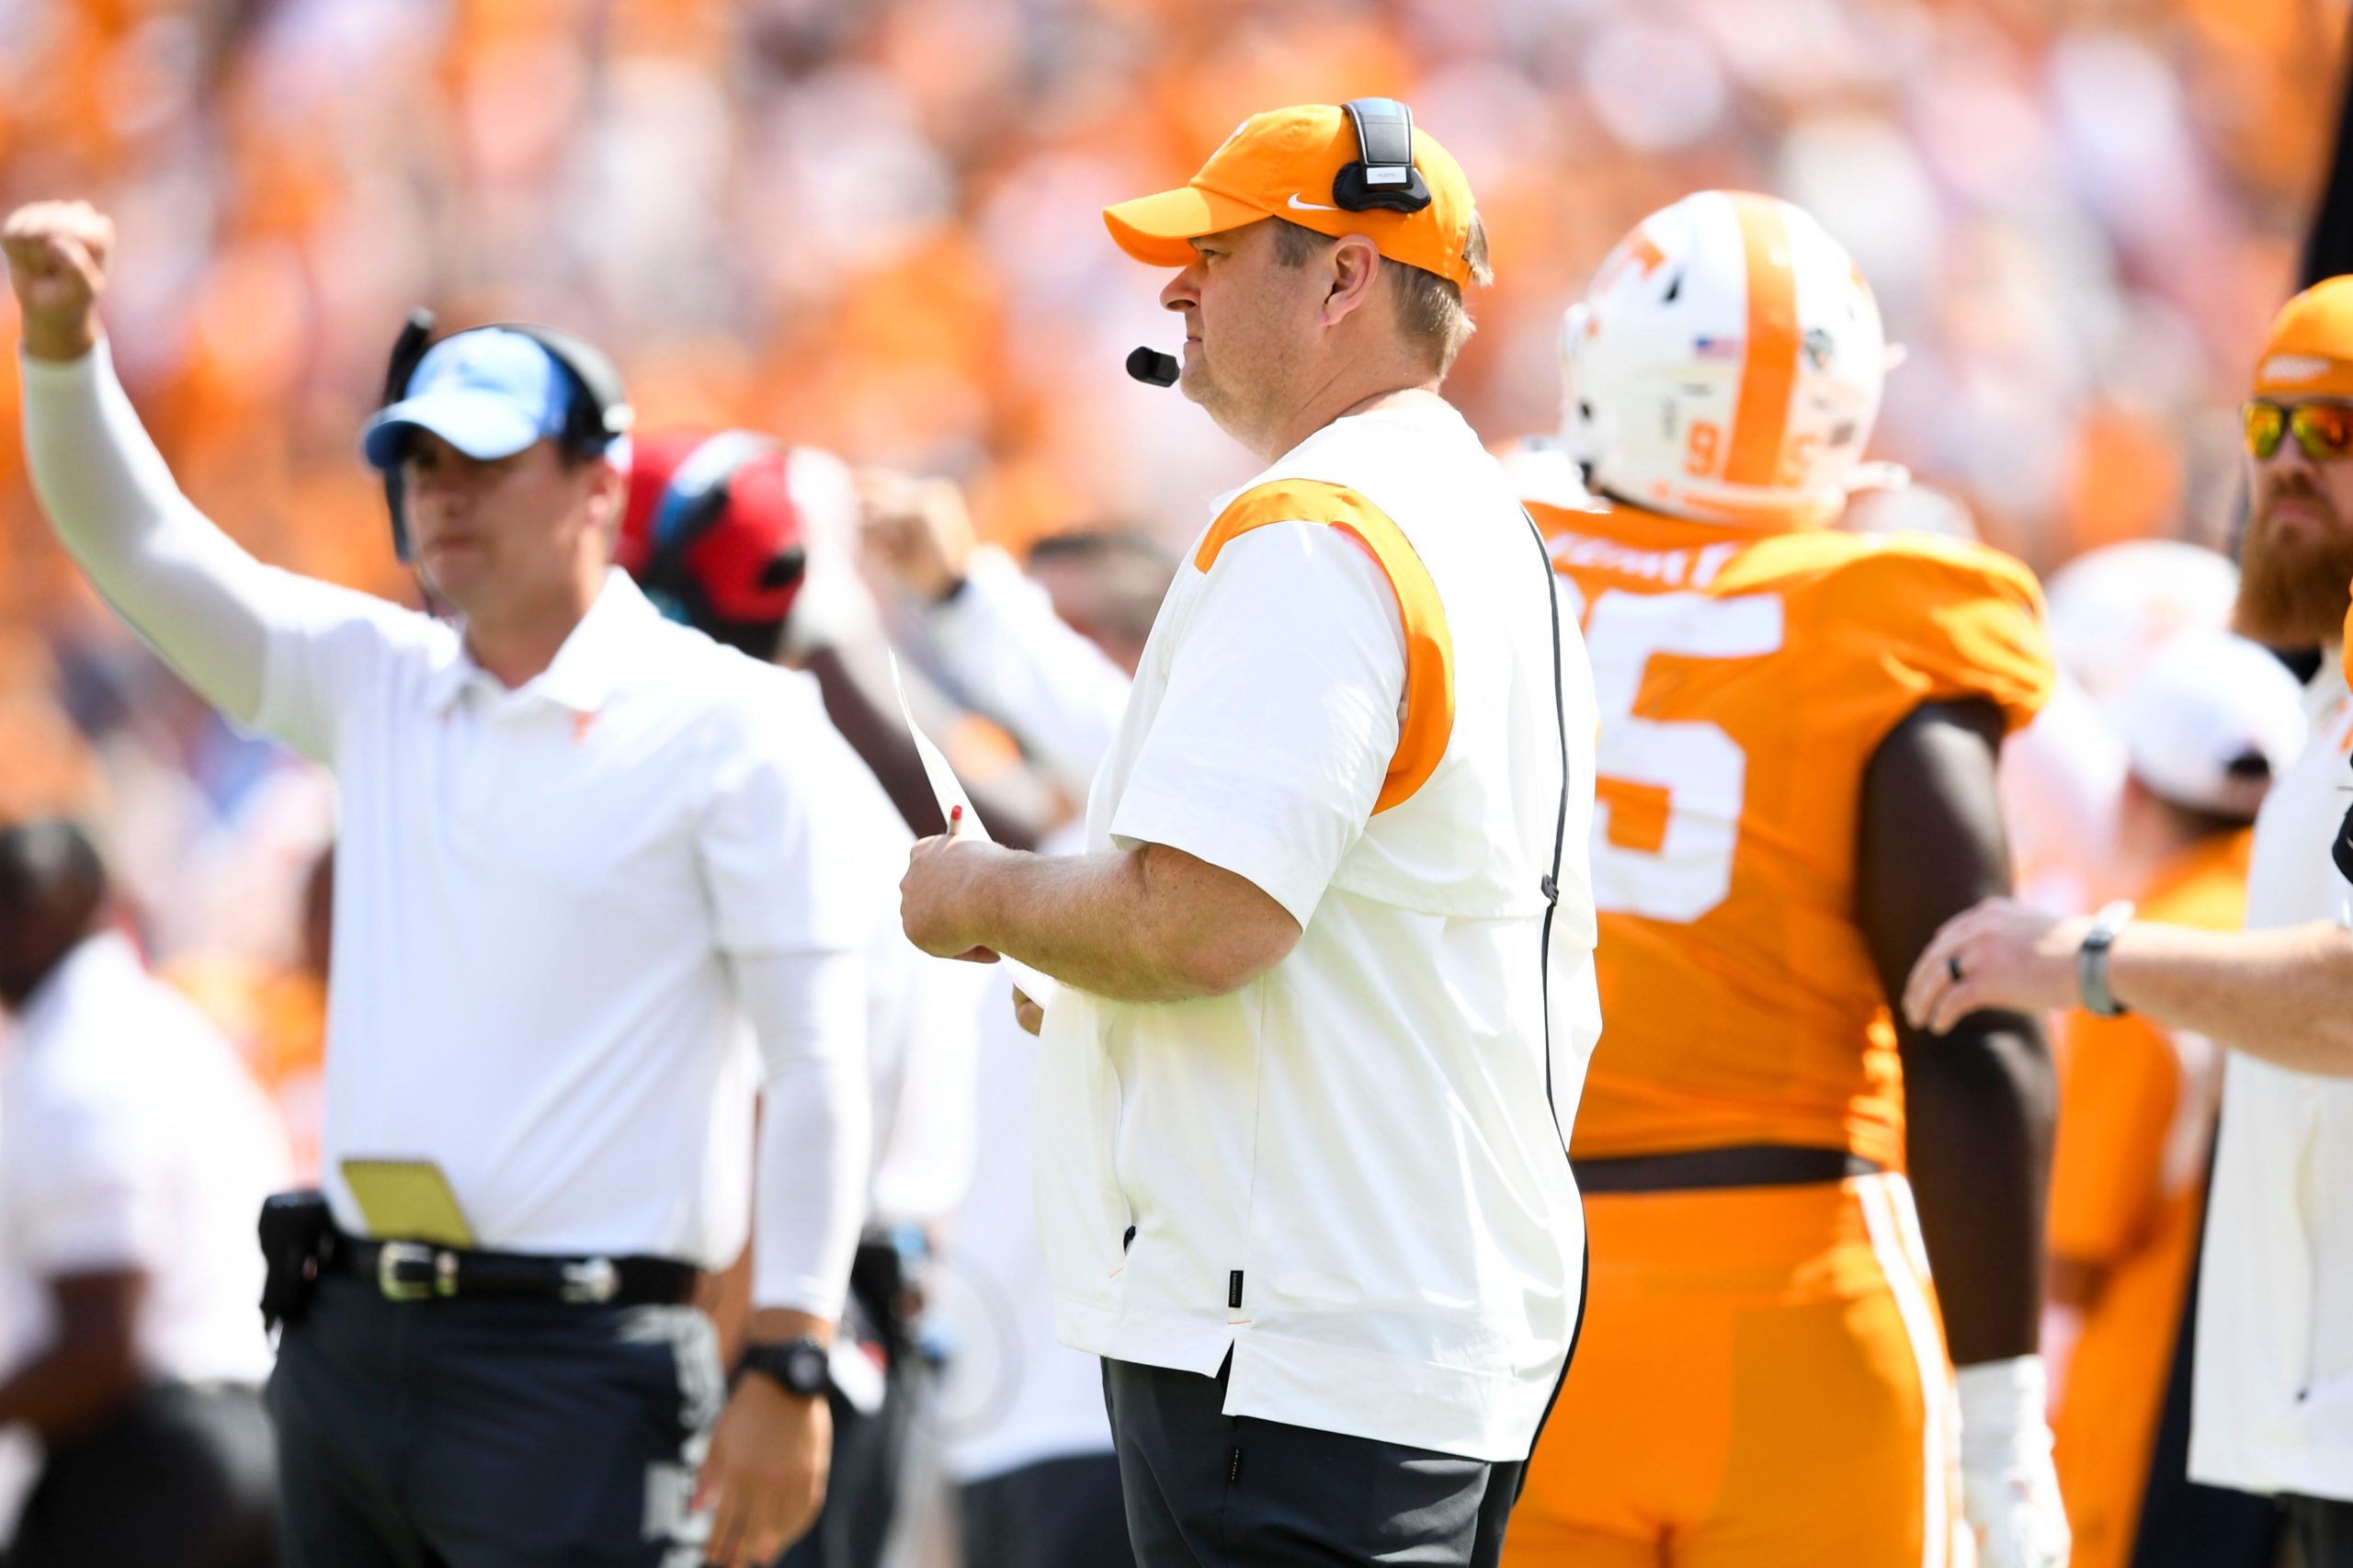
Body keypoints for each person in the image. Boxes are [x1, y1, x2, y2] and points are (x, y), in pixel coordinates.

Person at [5, 199, 883, 1568]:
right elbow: (144, 549)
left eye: (483, 457)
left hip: (580, 1363)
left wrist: (794, 1353)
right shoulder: (382, 680)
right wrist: (62, 354)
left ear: (602, 483)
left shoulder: (731, 721)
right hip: (350, 1340)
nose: (440, 491)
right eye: (415, 460)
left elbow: (820, 1060)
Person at [898, 98, 1602, 1567]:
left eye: (1216, 252)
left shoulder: (1316, 527)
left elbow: (1204, 920)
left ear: (1343, 279)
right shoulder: (1486, 521)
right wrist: (1077, 961)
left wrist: (982, 891)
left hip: (1291, 1330)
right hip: (1424, 1304)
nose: (1174, 289)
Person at [1505, 191, 2069, 1568]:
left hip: (1511, 1278)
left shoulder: (1489, 546)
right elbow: (1974, 1021)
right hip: (1801, 1286)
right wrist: (2006, 1422)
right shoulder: (1884, 607)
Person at [1906, 275, 2353, 1560]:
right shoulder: (2321, 703)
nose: (2287, 466)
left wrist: (2086, 959)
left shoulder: (2144, 926)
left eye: (2336, 430)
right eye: (2269, 428)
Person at [614, 428, 990, 1568]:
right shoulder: (835, 781)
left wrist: (750, 1368)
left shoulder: (760, 791)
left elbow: (772, 1112)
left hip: (777, 1326)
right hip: (860, 1312)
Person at [858, 469, 1165, 1568]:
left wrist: (955, 590)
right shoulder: (1016, 876)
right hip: (989, 1417)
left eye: (1066, 636)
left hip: (1116, 1416)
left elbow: (1118, 732)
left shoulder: (1165, 860)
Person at [2041, 630, 2304, 1568]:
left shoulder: (2139, 963)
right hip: (2280, 1380)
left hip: (2149, 1384)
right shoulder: (2291, 933)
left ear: (2131, 787)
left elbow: (2078, 1235)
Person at [0, 818, 290, 1568]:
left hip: (158, 1466)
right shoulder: (158, 1023)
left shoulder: (82, 1059)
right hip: (252, 1439)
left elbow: (101, 1344)